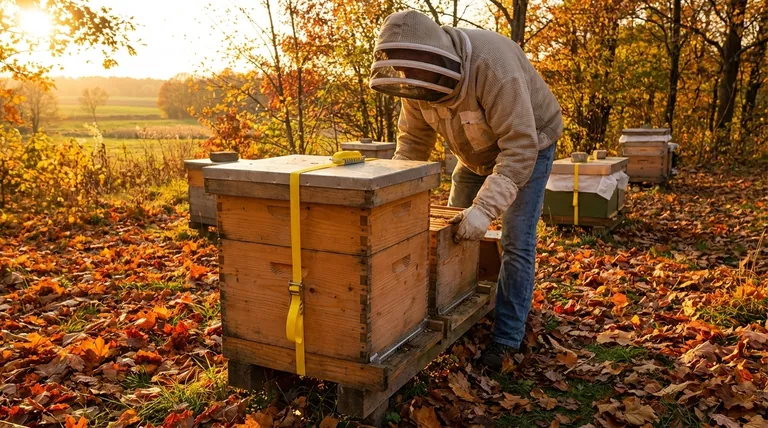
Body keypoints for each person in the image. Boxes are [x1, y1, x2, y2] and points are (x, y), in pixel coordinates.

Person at [369, 10, 563, 371]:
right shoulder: (415, 78)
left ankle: (507, 337)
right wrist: (393, 201)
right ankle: (458, 309)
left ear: (433, 56)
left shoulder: (494, 67)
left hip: (530, 143)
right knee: (451, 235)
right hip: (473, 154)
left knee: (516, 239)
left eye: (413, 72)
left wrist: (485, 210)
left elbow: (519, 147)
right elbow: (411, 144)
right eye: (402, 73)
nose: (407, 80)